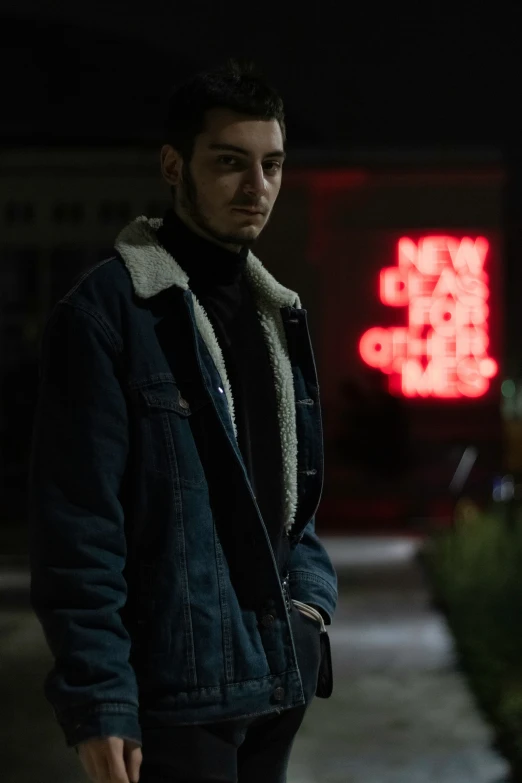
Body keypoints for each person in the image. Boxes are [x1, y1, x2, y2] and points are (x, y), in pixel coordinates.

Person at [27, 59, 337, 783]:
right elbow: (77, 526)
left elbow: (296, 495)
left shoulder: (274, 313)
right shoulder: (110, 312)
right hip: (176, 693)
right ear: (174, 165)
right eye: (230, 163)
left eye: (272, 164)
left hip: (276, 677)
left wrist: (312, 611)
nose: (256, 187)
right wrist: (100, 697)